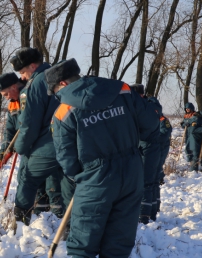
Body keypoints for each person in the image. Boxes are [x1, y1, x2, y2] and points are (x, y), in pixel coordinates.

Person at [46, 59, 159, 258]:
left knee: (82, 245)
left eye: (55, 91)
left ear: (62, 84)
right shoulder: (122, 90)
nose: (57, 96)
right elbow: (150, 122)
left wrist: (84, 177)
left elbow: (67, 159)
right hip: (132, 172)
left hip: (95, 180)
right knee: (118, 245)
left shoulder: (63, 113)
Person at [9, 47, 74, 228]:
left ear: (32, 66)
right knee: (68, 183)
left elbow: (30, 124)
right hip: (72, 143)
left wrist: (21, 147)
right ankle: (69, 225)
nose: (21, 77)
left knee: (27, 178)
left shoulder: (35, 84)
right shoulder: (59, 76)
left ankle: (20, 223)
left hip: (49, 142)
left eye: (22, 72)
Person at [0, 72, 62, 217]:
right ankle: (38, 214)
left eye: (6, 94)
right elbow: (10, 130)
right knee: (31, 184)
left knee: (53, 184)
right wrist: (4, 149)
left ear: (13, 86)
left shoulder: (32, 94)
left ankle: (58, 219)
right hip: (29, 149)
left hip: (46, 145)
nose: (6, 98)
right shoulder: (13, 104)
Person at [130, 84, 161, 225]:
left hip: (149, 148)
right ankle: (152, 213)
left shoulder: (148, 108)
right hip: (147, 147)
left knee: (147, 183)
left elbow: (144, 130)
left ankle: (144, 216)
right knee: (151, 182)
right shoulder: (147, 106)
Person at [152, 107, 172, 221]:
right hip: (154, 148)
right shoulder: (150, 119)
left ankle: (161, 178)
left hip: (161, 147)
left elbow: (165, 133)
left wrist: (153, 138)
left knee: (157, 168)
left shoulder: (163, 120)